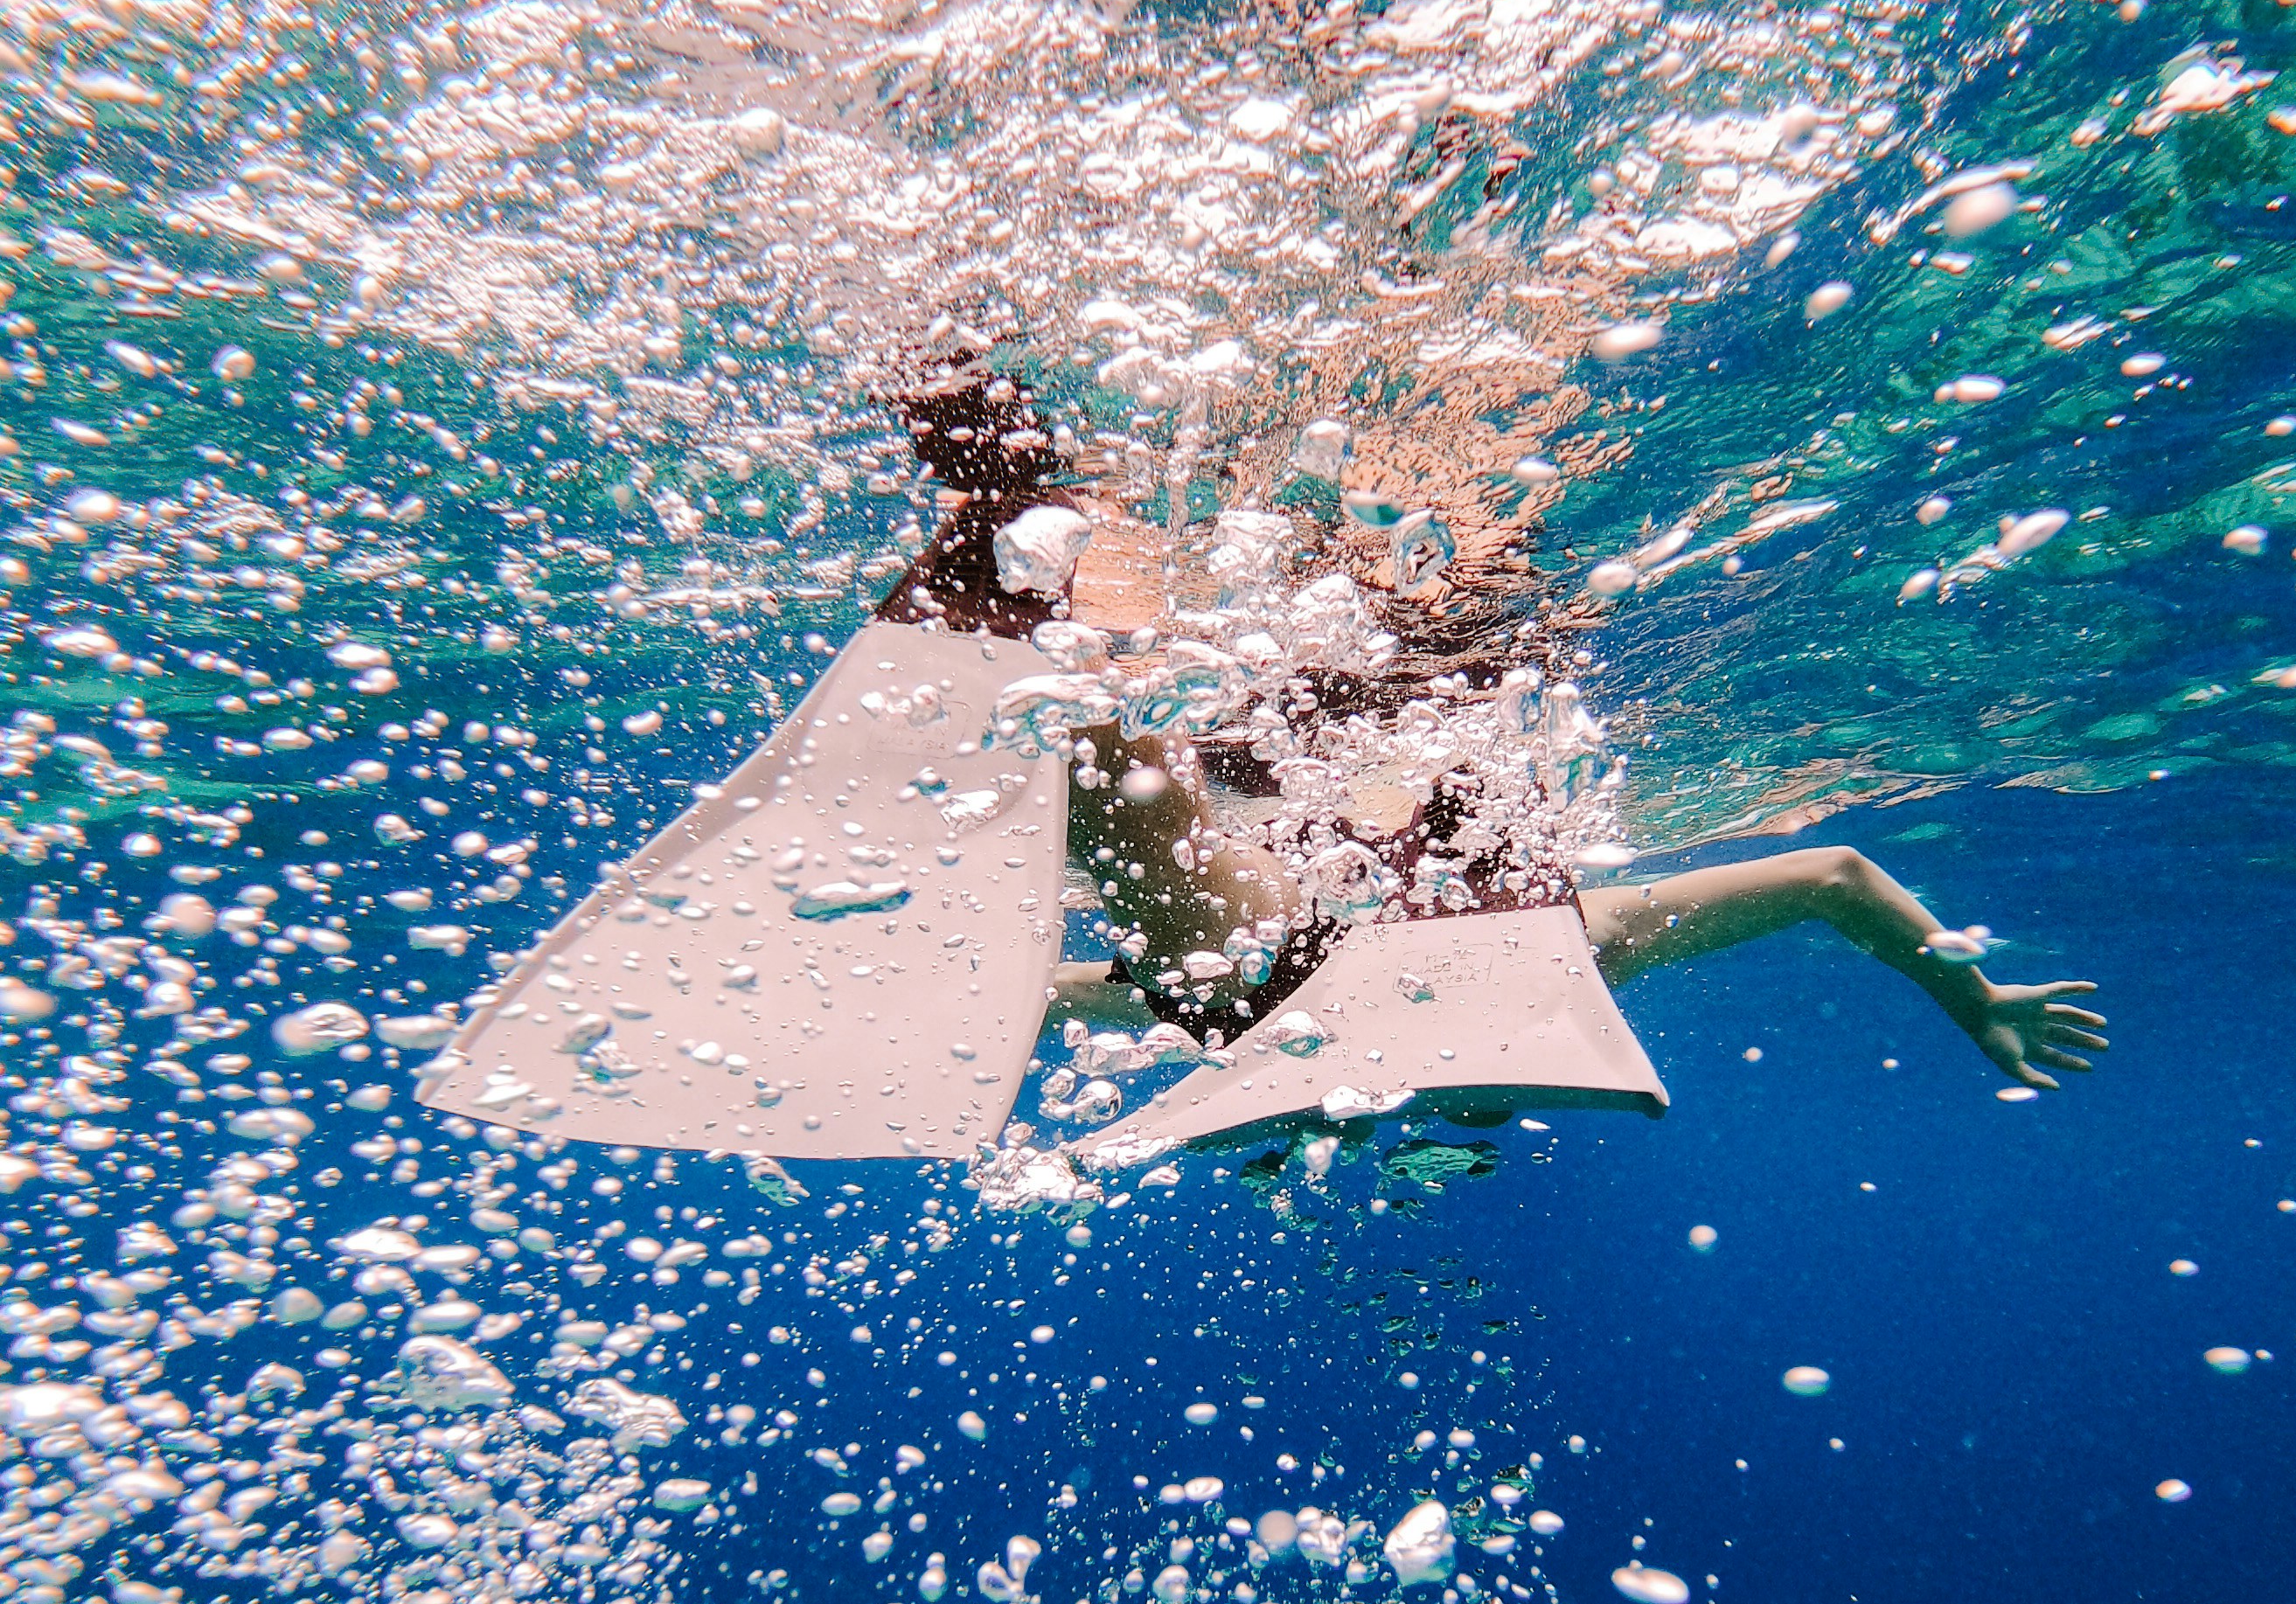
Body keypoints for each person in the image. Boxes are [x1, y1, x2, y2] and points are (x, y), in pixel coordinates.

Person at [421, 376, 2105, 1163]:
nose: (1471, 1097)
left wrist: (835, 996)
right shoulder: (1559, 935)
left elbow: (1048, 998)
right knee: (1097, 768)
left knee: (1087, 783)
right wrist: (1982, 1007)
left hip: (1259, 959)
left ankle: (1010, 531)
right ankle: (1034, 538)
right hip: (1296, 930)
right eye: (1490, 1102)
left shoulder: (1502, 964)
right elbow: (1825, 871)